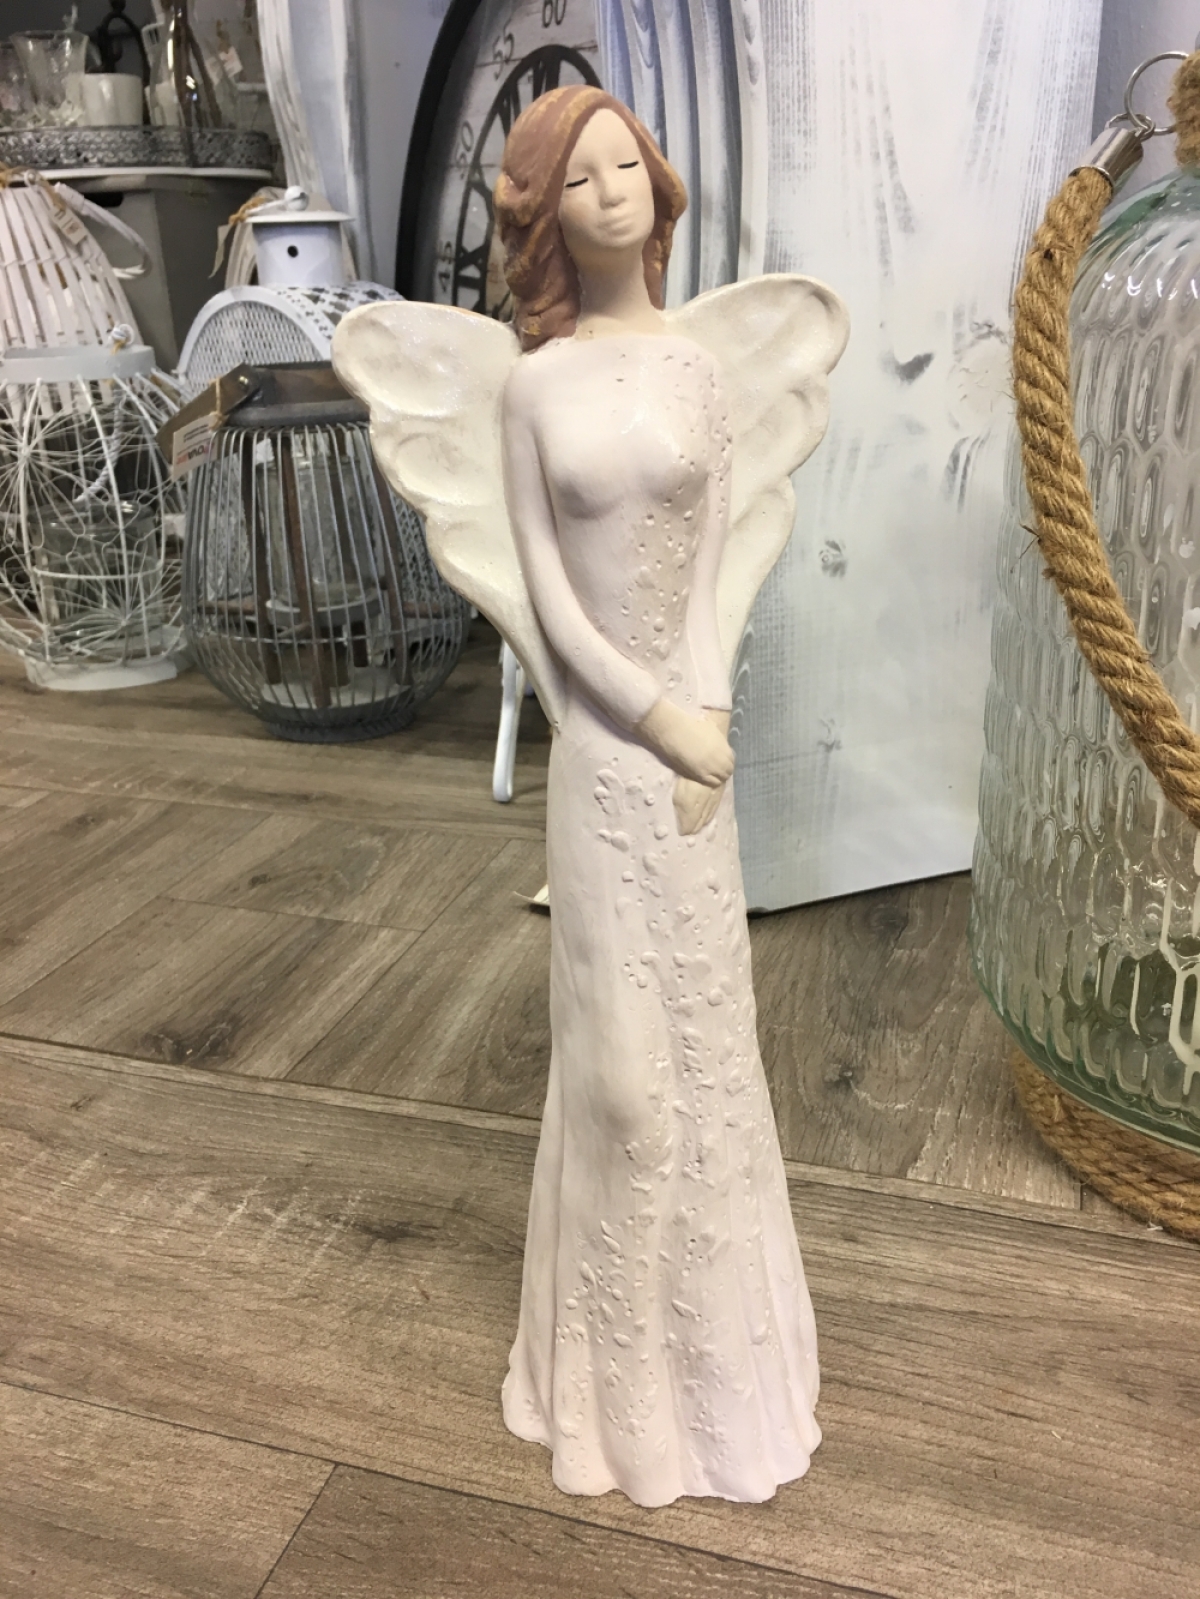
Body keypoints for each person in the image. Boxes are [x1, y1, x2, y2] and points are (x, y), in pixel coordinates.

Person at [493, 85, 822, 1506]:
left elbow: (709, 576)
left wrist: (714, 727)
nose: (612, 191)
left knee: (704, 1064)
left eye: (626, 164)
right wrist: (659, 722)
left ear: (659, 183)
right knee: (621, 1084)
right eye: (579, 178)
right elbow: (552, 605)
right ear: (544, 215)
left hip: (697, 756)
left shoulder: (696, 371)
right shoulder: (532, 389)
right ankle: (606, 1398)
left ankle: (721, 1395)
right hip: (608, 749)